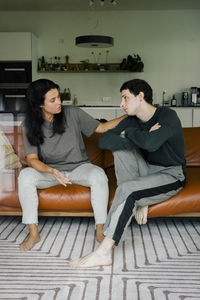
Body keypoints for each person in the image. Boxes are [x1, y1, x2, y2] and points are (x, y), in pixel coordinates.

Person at [69, 78, 186, 268]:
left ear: (140, 96)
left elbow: (151, 144)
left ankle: (104, 252)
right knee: (120, 151)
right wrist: (141, 135)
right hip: (147, 170)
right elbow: (105, 141)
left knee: (129, 188)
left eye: (125, 98)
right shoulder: (132, 121)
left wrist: (128, 134)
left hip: (170, 174)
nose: (121, 104)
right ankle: (141, 199)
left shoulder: (167, 116)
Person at [18, 78, 127, 251]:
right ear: (40, 104)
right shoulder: (29, 125)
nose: (59, 102)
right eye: (53, 100)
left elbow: (102, 127)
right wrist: (52, 171)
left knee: (99, 174)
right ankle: (33, 233)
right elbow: (32, 159)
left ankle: (100, 230)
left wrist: (130, 114)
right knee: (25, 176)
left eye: (59, 97)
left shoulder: (73, 113)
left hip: (79, 168)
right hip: (51, 171)